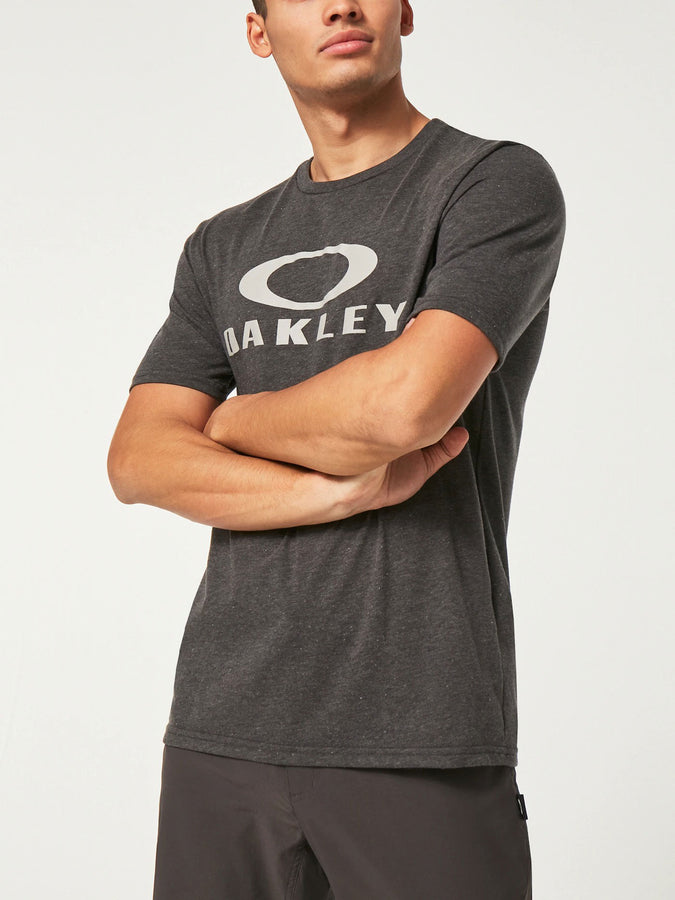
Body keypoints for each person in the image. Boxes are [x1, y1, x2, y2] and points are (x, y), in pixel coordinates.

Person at [107, 1, 565, 897]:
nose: (340, 4)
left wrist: (230, 421)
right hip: (221, 728)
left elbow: (405, 408)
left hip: (418, 729)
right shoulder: (222, 245)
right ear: (258, 32)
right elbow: (138, 461)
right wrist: (334, 492)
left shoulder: (489, 183)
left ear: (403, 12)